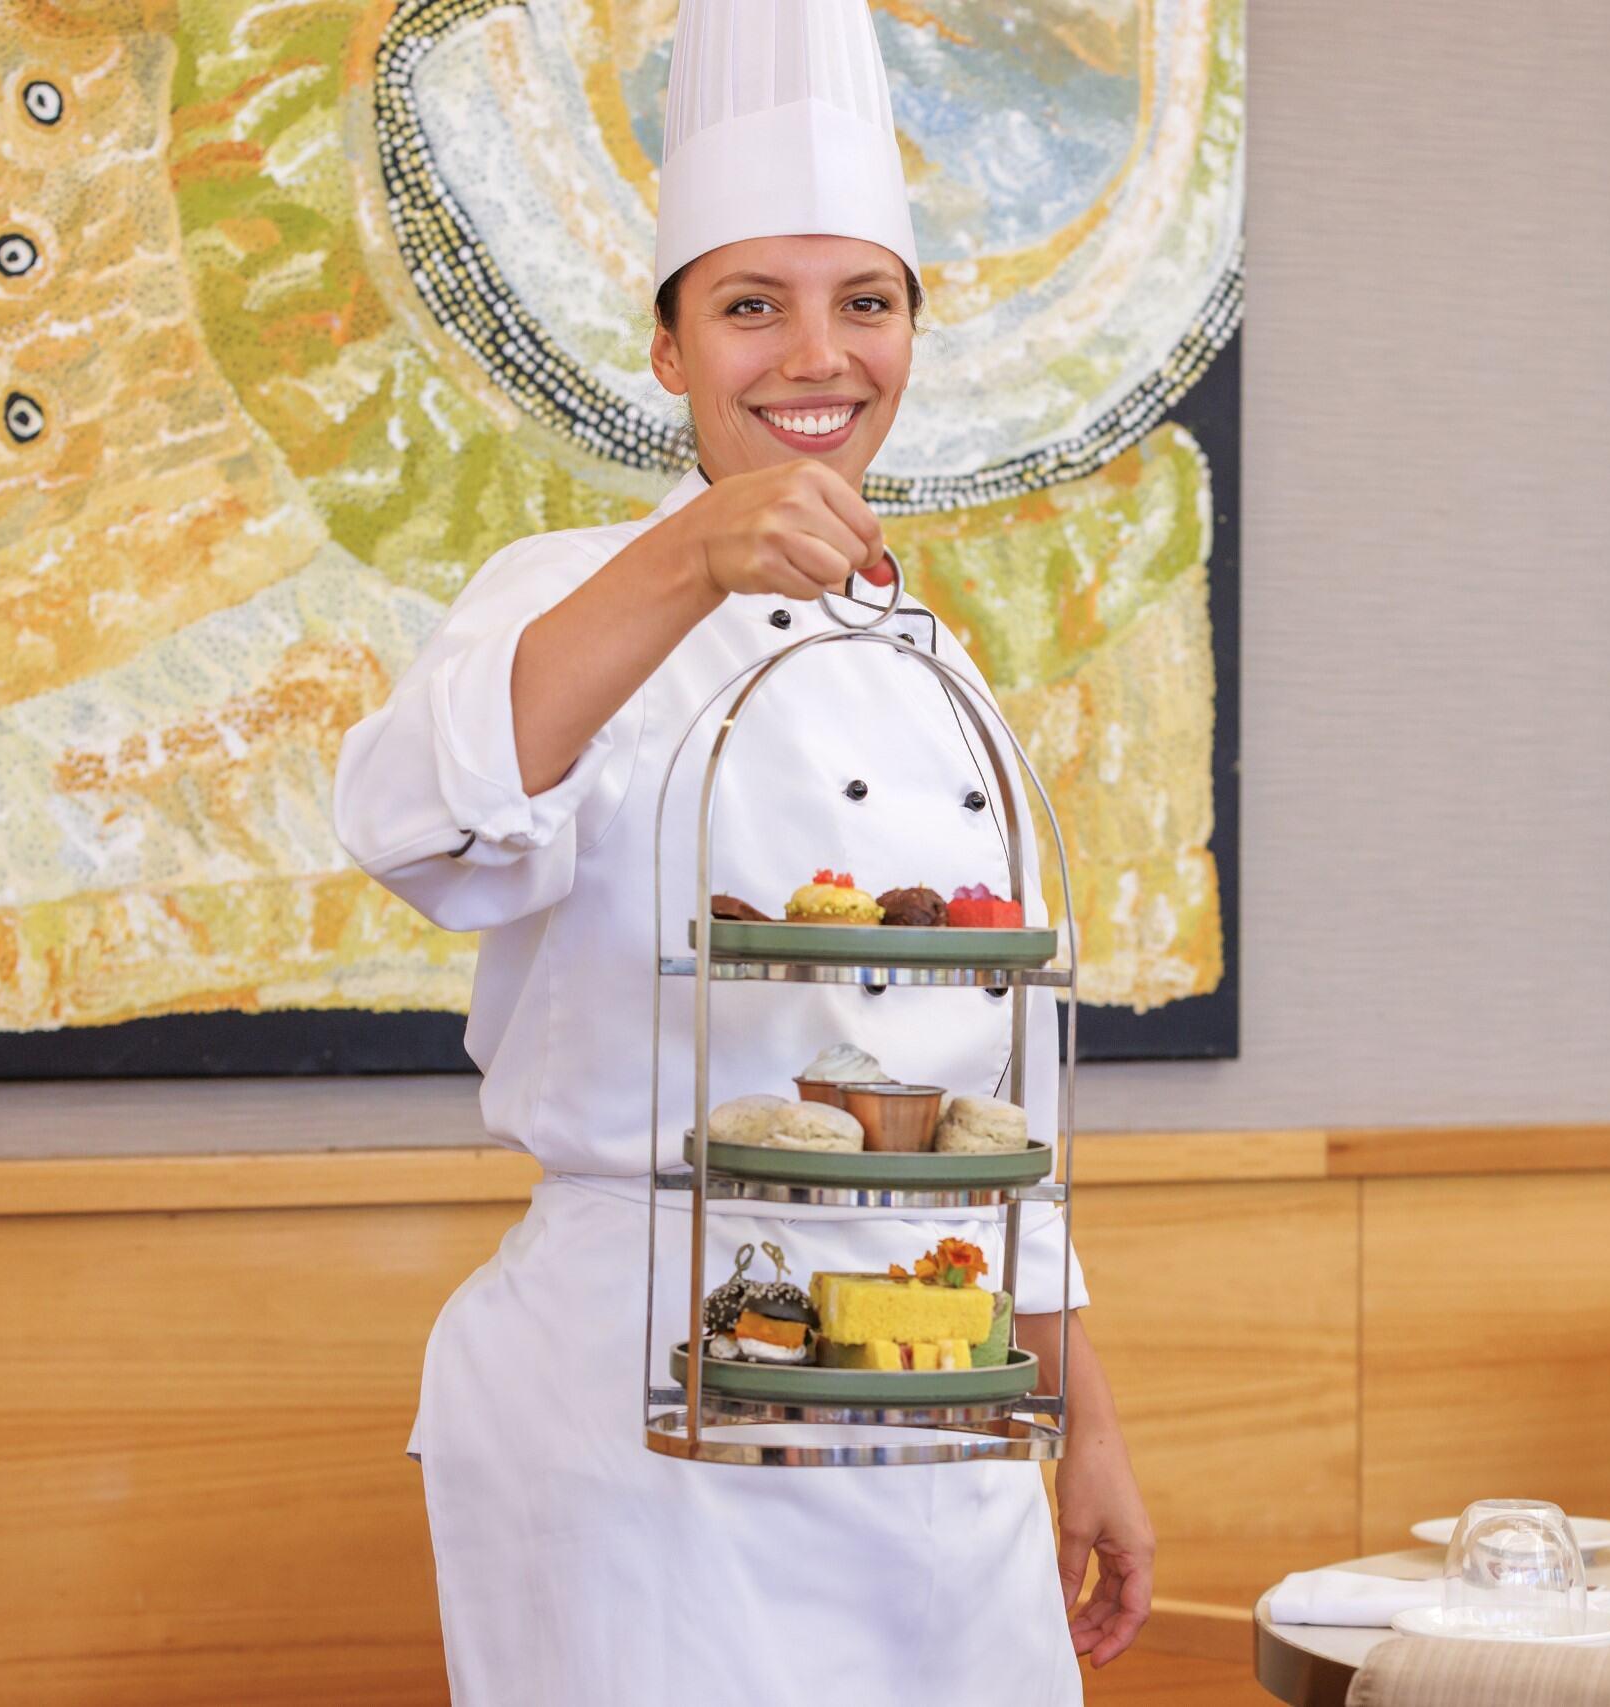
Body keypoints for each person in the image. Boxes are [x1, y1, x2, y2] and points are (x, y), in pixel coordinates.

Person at [330, 4, 1151, 1701]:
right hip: (650, 1404)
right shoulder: (570, 599)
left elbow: (998, 1108)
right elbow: (416, 823)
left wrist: (1081, 1421)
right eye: (750, 307)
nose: (814, 356)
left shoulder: (933, 658)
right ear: (668, 349)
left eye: (864, 302)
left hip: (941, 1394)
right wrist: (690, 556)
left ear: (915, 330)